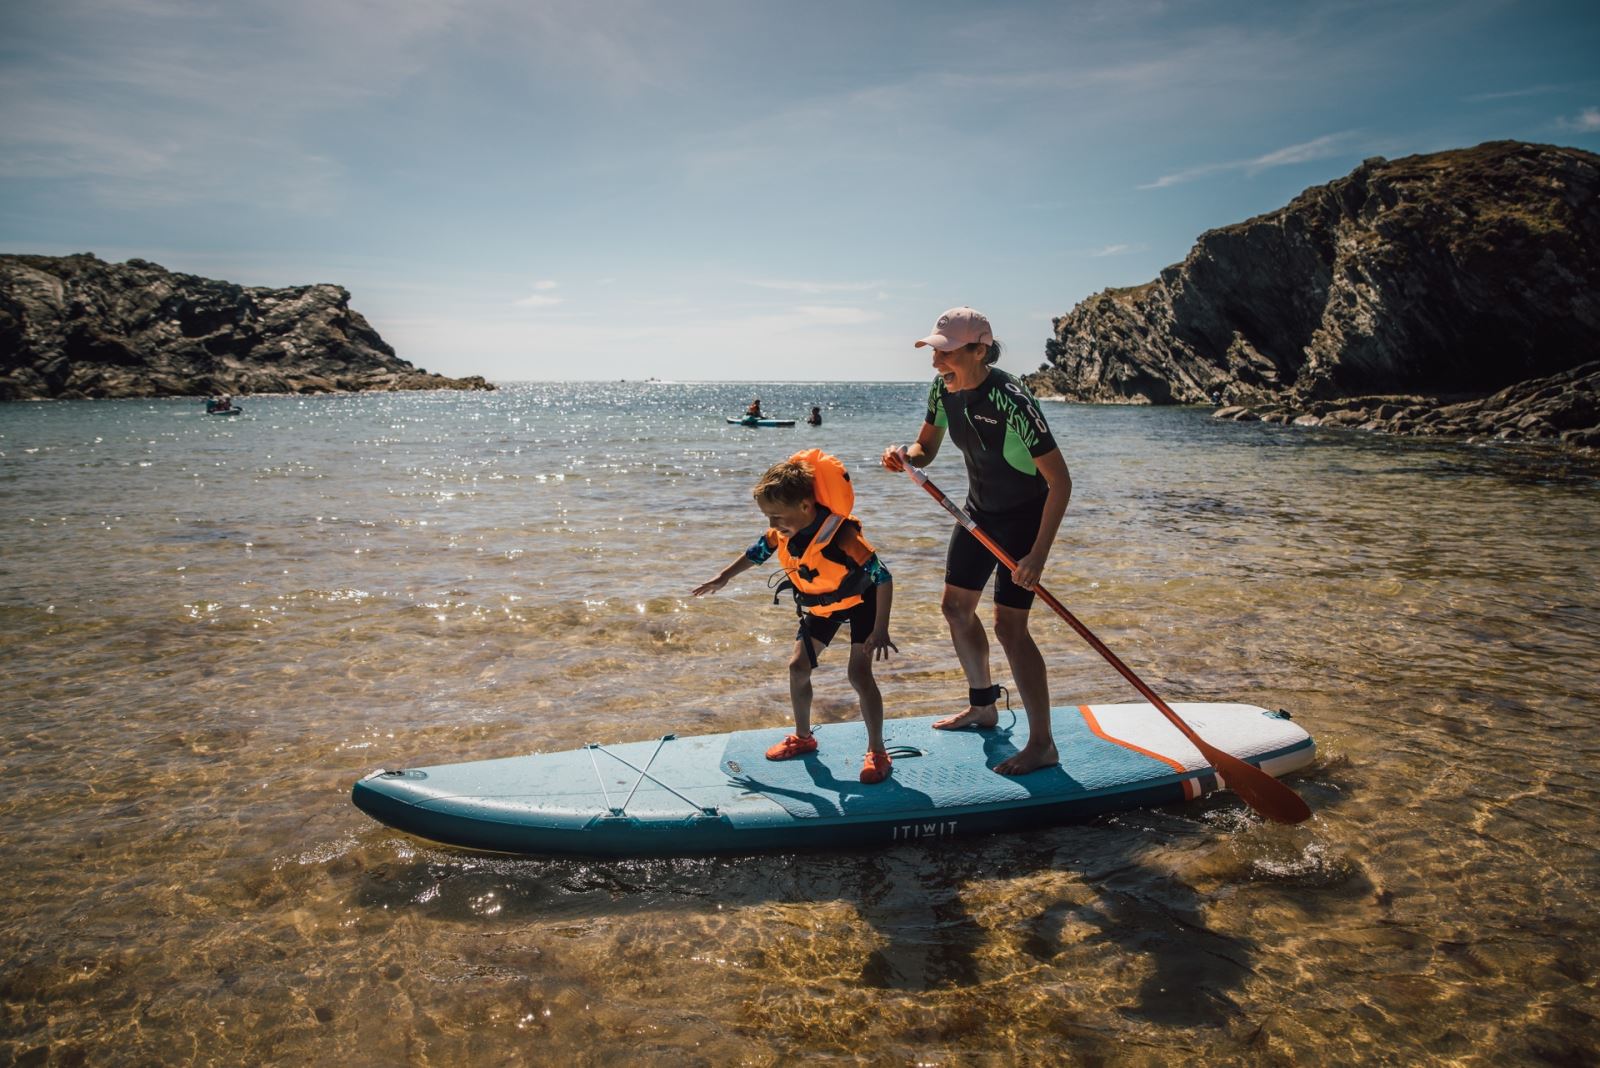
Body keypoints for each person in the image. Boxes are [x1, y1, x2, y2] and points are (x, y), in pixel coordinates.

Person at [881, 307, 1072, 776]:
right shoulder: (941, 390)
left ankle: (1042, 744)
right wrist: (906, 454)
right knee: (954, 608)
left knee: (1011, 629)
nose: (935, 360)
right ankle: (983, 705)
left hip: (1025, 520)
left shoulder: (1011, 398)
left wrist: (1038, 555)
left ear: (979, 349)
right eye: (933, 350)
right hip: (978, 516)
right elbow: (927, 448)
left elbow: (1061, 482)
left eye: (945, 351)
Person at [694, 450, 899, 783]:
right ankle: (804, 738)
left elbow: (883, 577)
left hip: (862, 600)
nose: (772, 526)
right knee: (797, 666)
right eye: (768, 518)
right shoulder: (782, 532)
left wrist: (881, 629)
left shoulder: (844, 535)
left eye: (776, 517)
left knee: (859, 674)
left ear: (805, 506)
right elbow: (755, 554)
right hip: (824, 604)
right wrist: (724, 576)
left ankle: (877, 751)